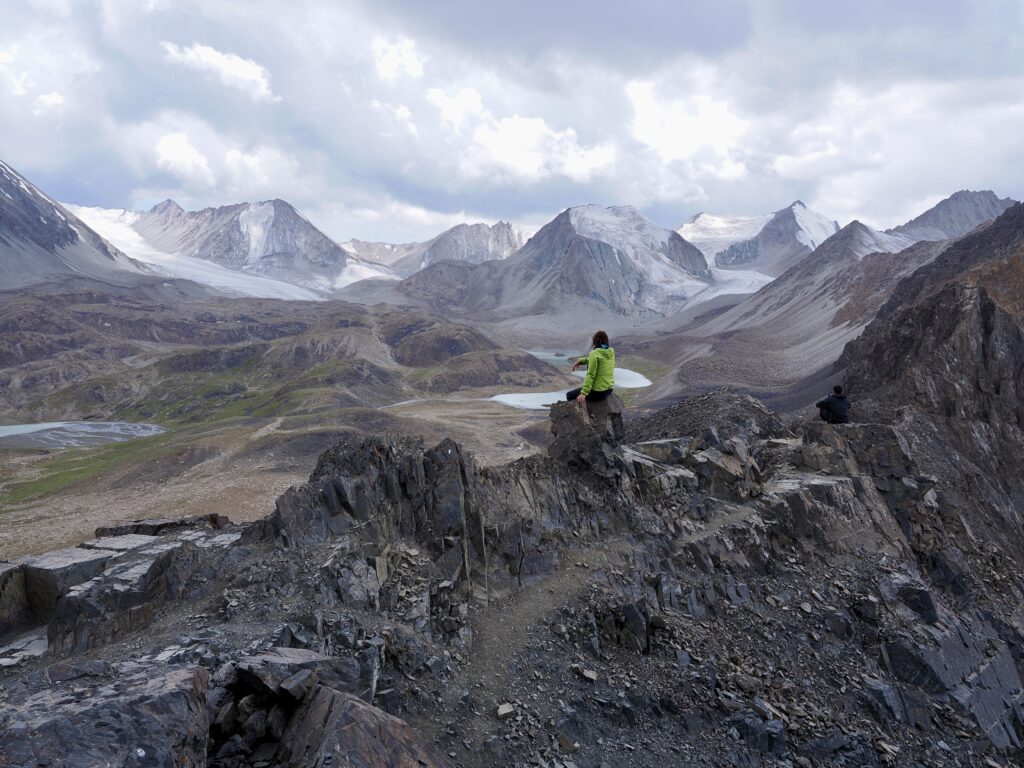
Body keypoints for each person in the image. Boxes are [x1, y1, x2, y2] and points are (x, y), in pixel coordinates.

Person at [567, 331, 615, 404]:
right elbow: (599, 360)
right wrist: (581, 361)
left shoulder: (594, 353)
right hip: (609, 390)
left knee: (569, 395)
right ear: (606, 341)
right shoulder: (610, 352)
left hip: (599, 392)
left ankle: (583, 414)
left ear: (595, 341)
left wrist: (584, 393)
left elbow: (591, 374)